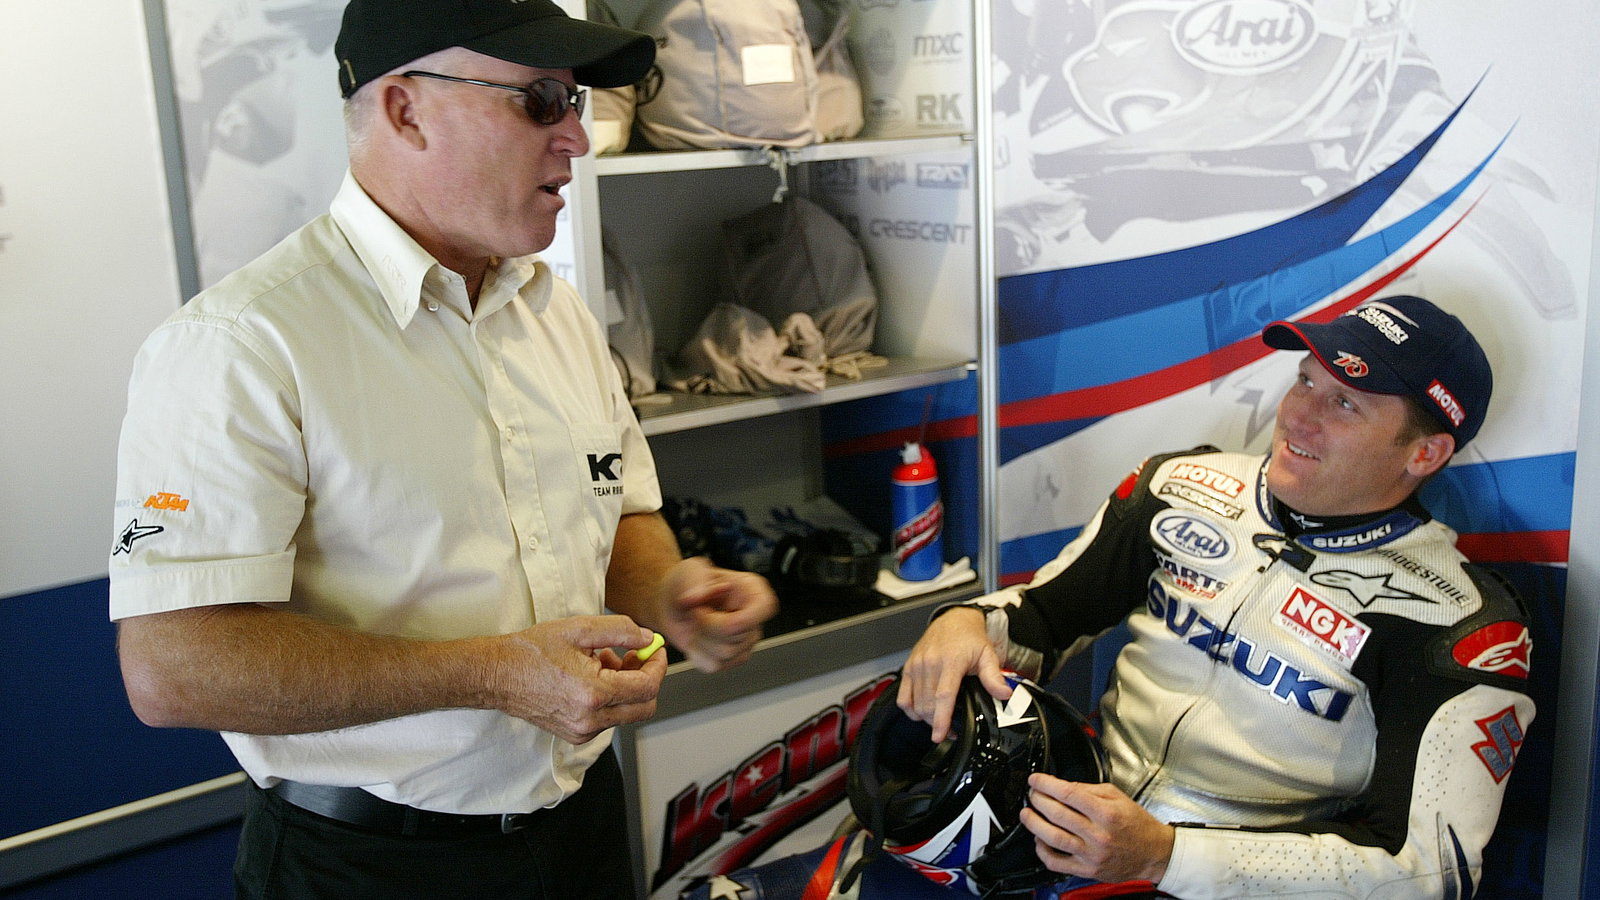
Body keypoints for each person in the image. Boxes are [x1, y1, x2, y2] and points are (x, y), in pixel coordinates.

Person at [109, 1, 777, 897]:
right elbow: (173, 669)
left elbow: (619, 513)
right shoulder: (240, 344)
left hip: (580, 829)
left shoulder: (555, 311)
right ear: (404, 110)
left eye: (575, 101)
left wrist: (669, 592)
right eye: (541, 100)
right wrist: (493, 674)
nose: (577, 137)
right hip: (371, 865)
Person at [895, 295, 1534, 898]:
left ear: (1425, 452)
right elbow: (1042, 616)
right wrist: (966, 621)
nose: (1298, 415)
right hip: (1062, 827)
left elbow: (1426, 873)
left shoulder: (1457, 621)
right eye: (1307, 380)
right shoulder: (1179, 485)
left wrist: (1165, 856)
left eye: (1345, 405)